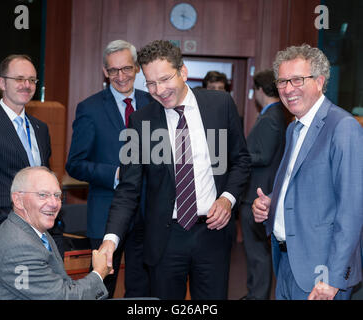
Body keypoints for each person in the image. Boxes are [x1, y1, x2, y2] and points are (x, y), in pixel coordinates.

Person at [100, 40, 251, 299]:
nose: (159, 90)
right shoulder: (142, 121)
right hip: (165, 238)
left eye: (165, 79)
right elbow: (128, 188)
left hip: (212, 234)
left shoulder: (219, 105)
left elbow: (240, 161)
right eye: (150, 83)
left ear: (183, 72)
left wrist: (227, 199)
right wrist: (110, 239)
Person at [252, 44, 363, 300]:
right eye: (282, 81)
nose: (288, 89)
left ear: (320, 81)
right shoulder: (294, 128)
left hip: (321, 275)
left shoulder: (343, 127)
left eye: (297, 80)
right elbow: (305, 186)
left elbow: (351, 211)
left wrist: (333, 280)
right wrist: (273, 203)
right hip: (288, 264)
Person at [66, 40, 153, 298]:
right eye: (113, 70)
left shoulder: (154, 104)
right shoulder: (89, 108)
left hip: (148, 215)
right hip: (105, 214)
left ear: (137, 68)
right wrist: (114, 174)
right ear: (105, 72)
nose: (120, 76)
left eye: (126, 68)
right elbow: (75, 164)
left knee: (141, 289)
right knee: (103, 290)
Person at [0, 166, 110, 300]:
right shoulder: (19, 247)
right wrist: (99, 273)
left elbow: (61, 285)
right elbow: (63, 298)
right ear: (18, 200)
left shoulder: (33, 230)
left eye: (57, 195)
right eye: (43, 195)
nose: (54, 203)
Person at [0, 55, 58, 250]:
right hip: (1, 227)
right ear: (2, 83)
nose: (26, 85)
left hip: (40, 229)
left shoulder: (41, 128)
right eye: (19, 79)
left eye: (32, 80)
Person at [239, 69, 287, 300]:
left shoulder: (271, 116)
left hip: (257, 194)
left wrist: (239, 155)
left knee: (257, 252)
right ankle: (254, 294)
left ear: (259, 89)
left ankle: (257, 296)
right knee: (258, 252)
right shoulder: (277, 114)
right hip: (262, 192)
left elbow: (264, 155)